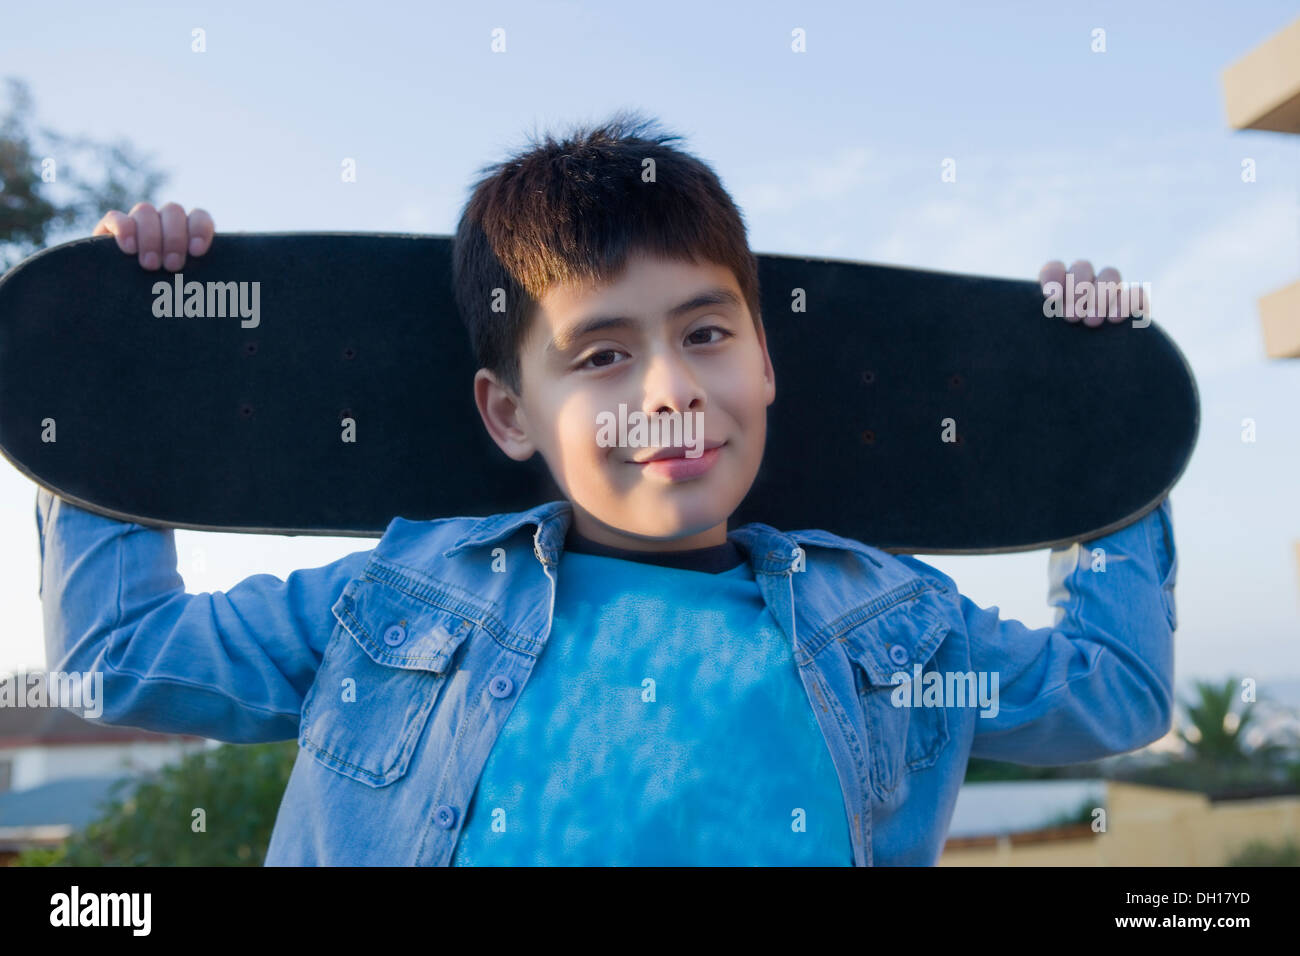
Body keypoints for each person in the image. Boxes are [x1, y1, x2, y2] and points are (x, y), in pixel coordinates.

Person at [39, 110, 1178, 865]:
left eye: (707, 331)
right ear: (507, 413)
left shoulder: (894, 627)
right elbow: (118, 654)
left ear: (765, 363)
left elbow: (1113, 693)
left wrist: (1103, 430)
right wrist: (116, 372)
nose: (672, 387)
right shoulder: (393, 600)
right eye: (601, 354)